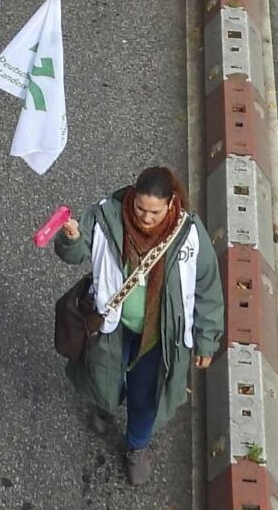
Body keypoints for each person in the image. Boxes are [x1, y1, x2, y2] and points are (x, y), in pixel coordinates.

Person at [52, 166, 224, 485]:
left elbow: (208, 288)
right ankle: (105, 406)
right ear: (132, 197)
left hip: (160, 335)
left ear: (171, 204)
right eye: (140, 208)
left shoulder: (189, 234)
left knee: (147, 394)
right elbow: (75, 254)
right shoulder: (106, 216)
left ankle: (137, 446)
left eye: (155, 212)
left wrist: (207, 339)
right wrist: (71, 239)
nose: (146, 218)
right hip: (112, 325)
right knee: (105, 376)